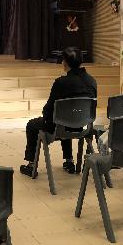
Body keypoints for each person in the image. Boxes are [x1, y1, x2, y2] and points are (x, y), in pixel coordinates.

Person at [20, 47, 97, 177]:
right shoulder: (91, 81)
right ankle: (69, 161)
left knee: (32, 124)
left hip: (60, 127)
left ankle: (31, 165)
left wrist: (46, 118)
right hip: (83, 126)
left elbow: (48, 109)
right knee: (66, 117)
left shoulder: (61, 82)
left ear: (65, 62)